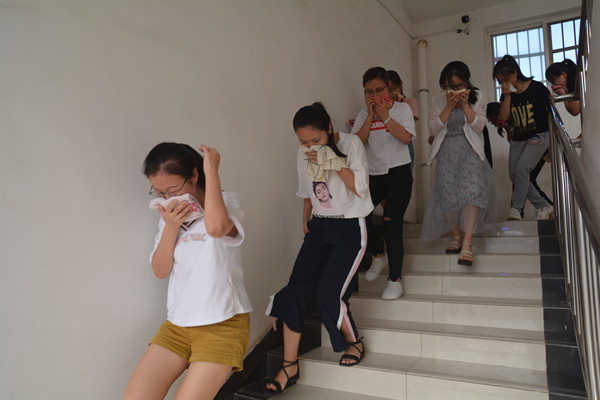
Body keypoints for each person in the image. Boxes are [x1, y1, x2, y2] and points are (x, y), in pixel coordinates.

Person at [124, 143, 252, 400]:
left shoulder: (227, 201)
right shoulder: (169, 216)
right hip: (178, 324)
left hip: (221, 323)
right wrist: (171, 226)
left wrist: (211, 171)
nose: (167, 199)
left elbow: (216, 229)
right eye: (159, 193)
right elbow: (160, 270)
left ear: (194, 175)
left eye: (173, 190)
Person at [265, 102, 372, 394]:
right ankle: (289, 366)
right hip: (319, 227)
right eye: (303, 142)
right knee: (294, 289)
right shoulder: (302, 153)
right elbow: (307, 192)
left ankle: (354, 342)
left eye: (316, 139)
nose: (310, 147)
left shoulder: (351, 145)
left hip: (350, 227)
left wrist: (334, 161)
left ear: (329, 128)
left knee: (328, 293)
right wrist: (306, 220)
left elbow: (360, 187)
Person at [421, 61, 497, 267]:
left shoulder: (478, 96)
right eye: (449, 87)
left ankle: (467, 242)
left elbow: (479, 126)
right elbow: (434, 129)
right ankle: (455, 235)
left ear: (466, 83)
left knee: (472, 192)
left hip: (470, 150)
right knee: (447, 193)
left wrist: (464, 105)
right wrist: (448, 106)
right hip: (447, 151)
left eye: (458, 86)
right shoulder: (437, 101)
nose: (454, 90)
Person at [350, 67, 416, 299]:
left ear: (389, 88)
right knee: (358, 215)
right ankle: (379, 254)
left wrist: (386, 115)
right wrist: (371, 116)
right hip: (374, 175)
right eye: (369, 92)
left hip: (399, 173)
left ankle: (395, 280)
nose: (375, 96)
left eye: (379, 90)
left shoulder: (402, 109)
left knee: (391, 223)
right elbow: (357, 144)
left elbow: (406, 138)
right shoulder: (363, 114)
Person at [493, 54, 554, 221]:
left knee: (522, 168)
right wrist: (507, 96)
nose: (503, 84)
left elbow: (552, 109)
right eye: (500, 82)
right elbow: (503, 117)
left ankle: (516, 208)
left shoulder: (536, 87)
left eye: (505, 80)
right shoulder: (507, 94)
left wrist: (554, 136)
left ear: (515, 73)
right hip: (518, 138)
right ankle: (543, 205)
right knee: (514, 175)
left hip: (538, 135)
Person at [486, 102, 553, 218]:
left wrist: (549, 147)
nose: (493, 123)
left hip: (538, 149)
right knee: (519, 177)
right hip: (526, 151)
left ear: (499, 112)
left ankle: (523, 209)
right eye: (491, 121)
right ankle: (543, 206)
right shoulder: (508, 124)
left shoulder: (517, 115)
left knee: (523, 177)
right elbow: (511, 140)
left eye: (493, 118)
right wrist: (506, 127)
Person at [387, 70, 419, 170]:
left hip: (405, 144)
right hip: (389, 142)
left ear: (400, 85)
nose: (392, 92)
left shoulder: (410, 102)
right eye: (389, 90)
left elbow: (411, 119)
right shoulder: (384, 105)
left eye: (394, 88)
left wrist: (399, 102)